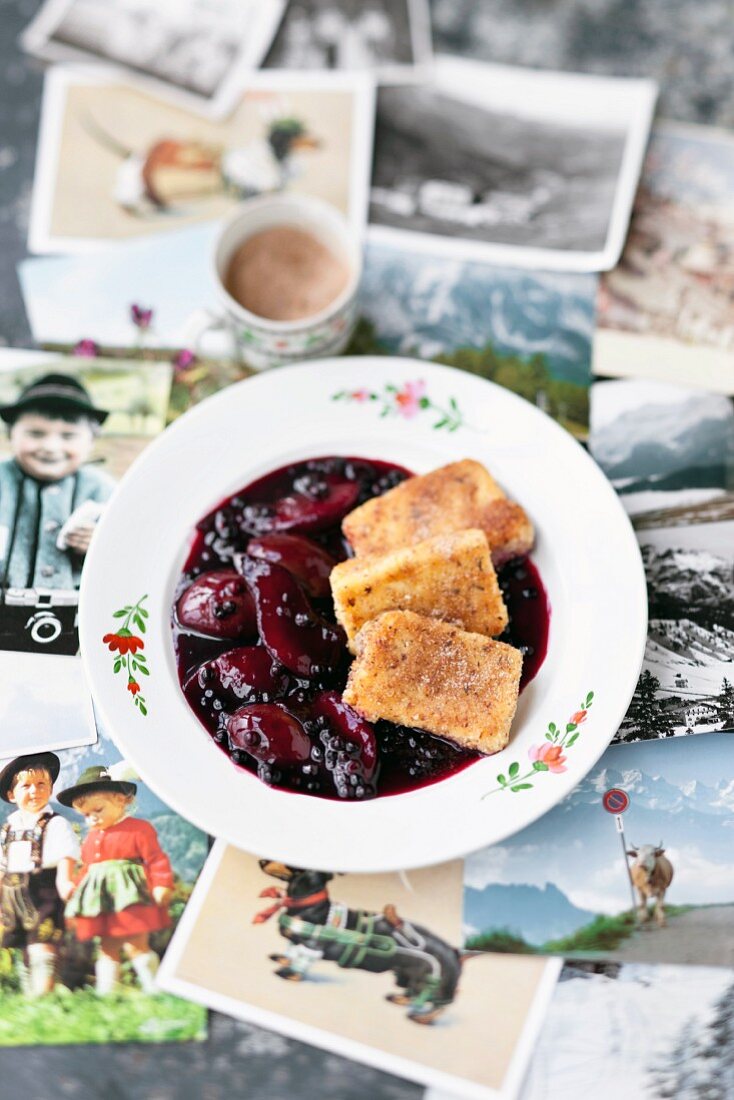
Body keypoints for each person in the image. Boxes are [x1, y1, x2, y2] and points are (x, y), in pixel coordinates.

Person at [0, 372, 115, 654]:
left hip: (77, 629)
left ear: (91, 441)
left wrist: (102, 547)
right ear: (10, 433)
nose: (51, 447)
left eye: (68, 436)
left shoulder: (106, 492)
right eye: (35, 433)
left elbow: (131, 555)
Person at [58, 765, 174, 995]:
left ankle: (154, 988)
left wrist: (161, 884)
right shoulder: (91, 838)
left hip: (130, 897)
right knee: (107, 947)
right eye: (86, 815)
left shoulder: (138, 830)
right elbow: (89, 869)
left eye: (98, 810)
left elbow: (155, 859)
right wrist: (76, 887)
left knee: (135, 944)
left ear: (121, 800)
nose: (92, 819)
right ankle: (107, 992)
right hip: (102, 902)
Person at [0, 752, 79, 996]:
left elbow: (67, 853)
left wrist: (65, 880)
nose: (34, 790)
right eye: (26, 786)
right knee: (22, 944)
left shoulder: (55, 823)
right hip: (12, 893)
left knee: (43, 944)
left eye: (41, 784)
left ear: (51, 788)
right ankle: (29, 995)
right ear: (12, 795)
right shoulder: (8, 827)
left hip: (43, 890)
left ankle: (43, 995)